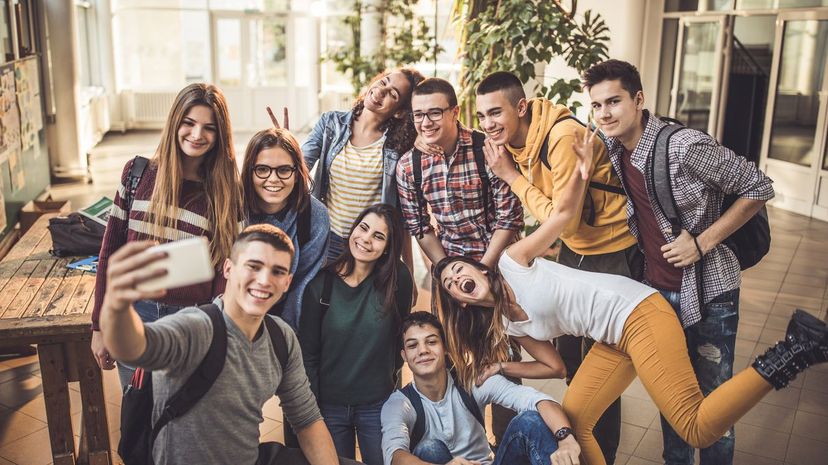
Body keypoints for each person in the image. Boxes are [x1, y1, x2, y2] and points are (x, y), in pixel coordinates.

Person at [434, 126, 828, 465]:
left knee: (694, 427)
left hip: (638, 314)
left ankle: (792, 350)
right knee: (575, 421)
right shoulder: (507, 324)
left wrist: (582, 173)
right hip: (612, 338)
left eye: (458, 268)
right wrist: (502, 368)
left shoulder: (512, 262)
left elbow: (560, 216)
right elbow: (554, 367)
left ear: (477, 267)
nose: (457, 277)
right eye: (451, 283)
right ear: (461, 301)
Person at [581, 59, 775, 465]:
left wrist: (701, 243)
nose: (605, 114)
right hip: (657, 293)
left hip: (709, 294)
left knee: (714, 407)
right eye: (596, 105)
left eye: (613, 102)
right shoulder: (614, 146)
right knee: (675, 402)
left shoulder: (686, 147)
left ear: (638, 99)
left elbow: (758, 186)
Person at [474, 71, 640, 464]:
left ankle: (603, 456)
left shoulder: (562, 137)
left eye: (495, 112)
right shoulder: (515, 142)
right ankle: (581, 445)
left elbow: (563, 218)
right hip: (576, 252)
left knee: (600, 367)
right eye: (481, 116)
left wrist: (511, 177)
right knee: (574, 365)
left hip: (610, 254)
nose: (488, 124)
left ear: (521, 107)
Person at [100, 224, 362, 465]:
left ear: (287, 283)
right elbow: (134, 347)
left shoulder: (281, 338)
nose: (264, 280)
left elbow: (307, 420)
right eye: (253, 266)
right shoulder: (196, 328)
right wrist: (118, 305)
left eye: (278, 271)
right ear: (228, 269)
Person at [90, 83, 243, 387]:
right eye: (189, 123)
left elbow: (224, 270)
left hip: (192, 319)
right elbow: (110, 251)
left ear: (220, 135)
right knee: (137, 415)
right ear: (175, 122)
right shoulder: (137, 174)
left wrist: (215, 329)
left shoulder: (226, 192)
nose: (197, 135)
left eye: (209, 128)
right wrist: (99, 325)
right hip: (134, 314)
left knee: (181, 420)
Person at [381, 311, 581, 465]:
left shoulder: (471, 381)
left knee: (529, 419)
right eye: (413, 345)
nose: (423, 350)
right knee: (429, 449)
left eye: (431, 342)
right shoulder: (399, 403)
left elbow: (536, 400)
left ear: (445, 348)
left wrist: (566, 438)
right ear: (404, 356)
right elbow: (395, 455)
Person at [300, 204, 413, 465]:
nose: (366, 239)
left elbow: (400, 337)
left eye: (379, 236)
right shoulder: (320, 285)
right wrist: (314, 410)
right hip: (330, 407)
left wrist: (390, 373)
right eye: (363, 228)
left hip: (378, 404)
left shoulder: (398, 281)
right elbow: (308, 355)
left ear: (387, 248)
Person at [397, 77, 523, 269]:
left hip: (501, 263)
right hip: (450, 265)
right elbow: (420, 227)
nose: (426, 123)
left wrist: (483, 269)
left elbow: (509, 218)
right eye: (419, 115)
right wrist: (446, 270)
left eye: (435, 113)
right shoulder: (408, 166)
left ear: (455, 112)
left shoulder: (489, 150)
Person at [301, 68, 425, 263]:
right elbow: (299, 167)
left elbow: (401, 215)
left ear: (400, 111)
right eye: (384, 82)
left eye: (393, 94)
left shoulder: (398, 147)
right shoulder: (330, 124)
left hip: (369, 246)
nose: (381, 92)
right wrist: (283, 145)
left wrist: (407, 269)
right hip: (327, 240)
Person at [242, 127, 330, 328]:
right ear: (249, 171)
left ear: (297, 174)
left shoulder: (315, 216)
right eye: (262, 169)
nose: (273, 179)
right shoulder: (232, 208)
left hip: (285, 318)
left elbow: (301, 285)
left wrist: (282, 336)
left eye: (284, 170)